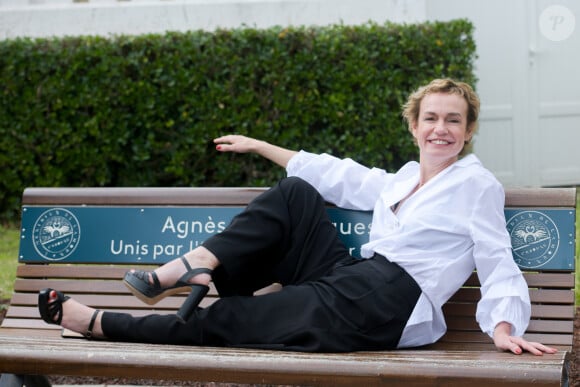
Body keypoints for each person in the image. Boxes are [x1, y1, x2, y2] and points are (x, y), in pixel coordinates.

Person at [38, 78, 557, 355]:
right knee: (297, 193)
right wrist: (263, 146)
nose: (440, 129)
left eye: (454, 121)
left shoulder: (475, 184)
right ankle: (191, 266)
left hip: (388, 303)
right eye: (430, 118)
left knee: (233, 322)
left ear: (468, 132)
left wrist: (503, 326)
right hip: (355, 281)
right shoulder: (401, 179)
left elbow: (495, 256)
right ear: (414, 126)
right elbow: (341, 176)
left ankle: (98, 323)